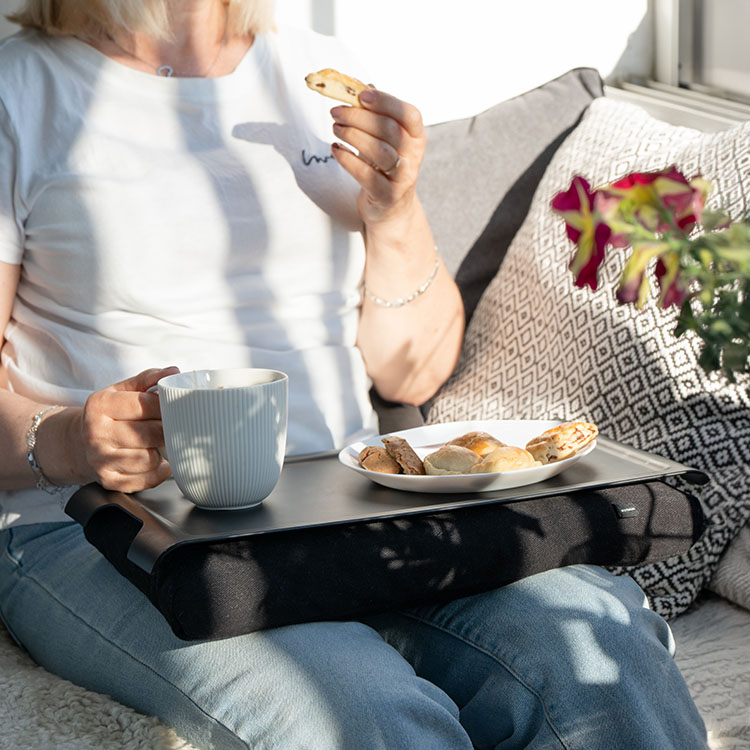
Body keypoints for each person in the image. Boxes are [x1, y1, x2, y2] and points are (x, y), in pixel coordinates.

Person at [0, 1, 708, 748]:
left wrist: (394, 212)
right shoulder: (21, 92)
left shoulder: (320, 79)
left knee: (610, 661)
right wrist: (72, 439)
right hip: (107, 528)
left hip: (345, 511)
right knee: (363, 710)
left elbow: (414, 370)